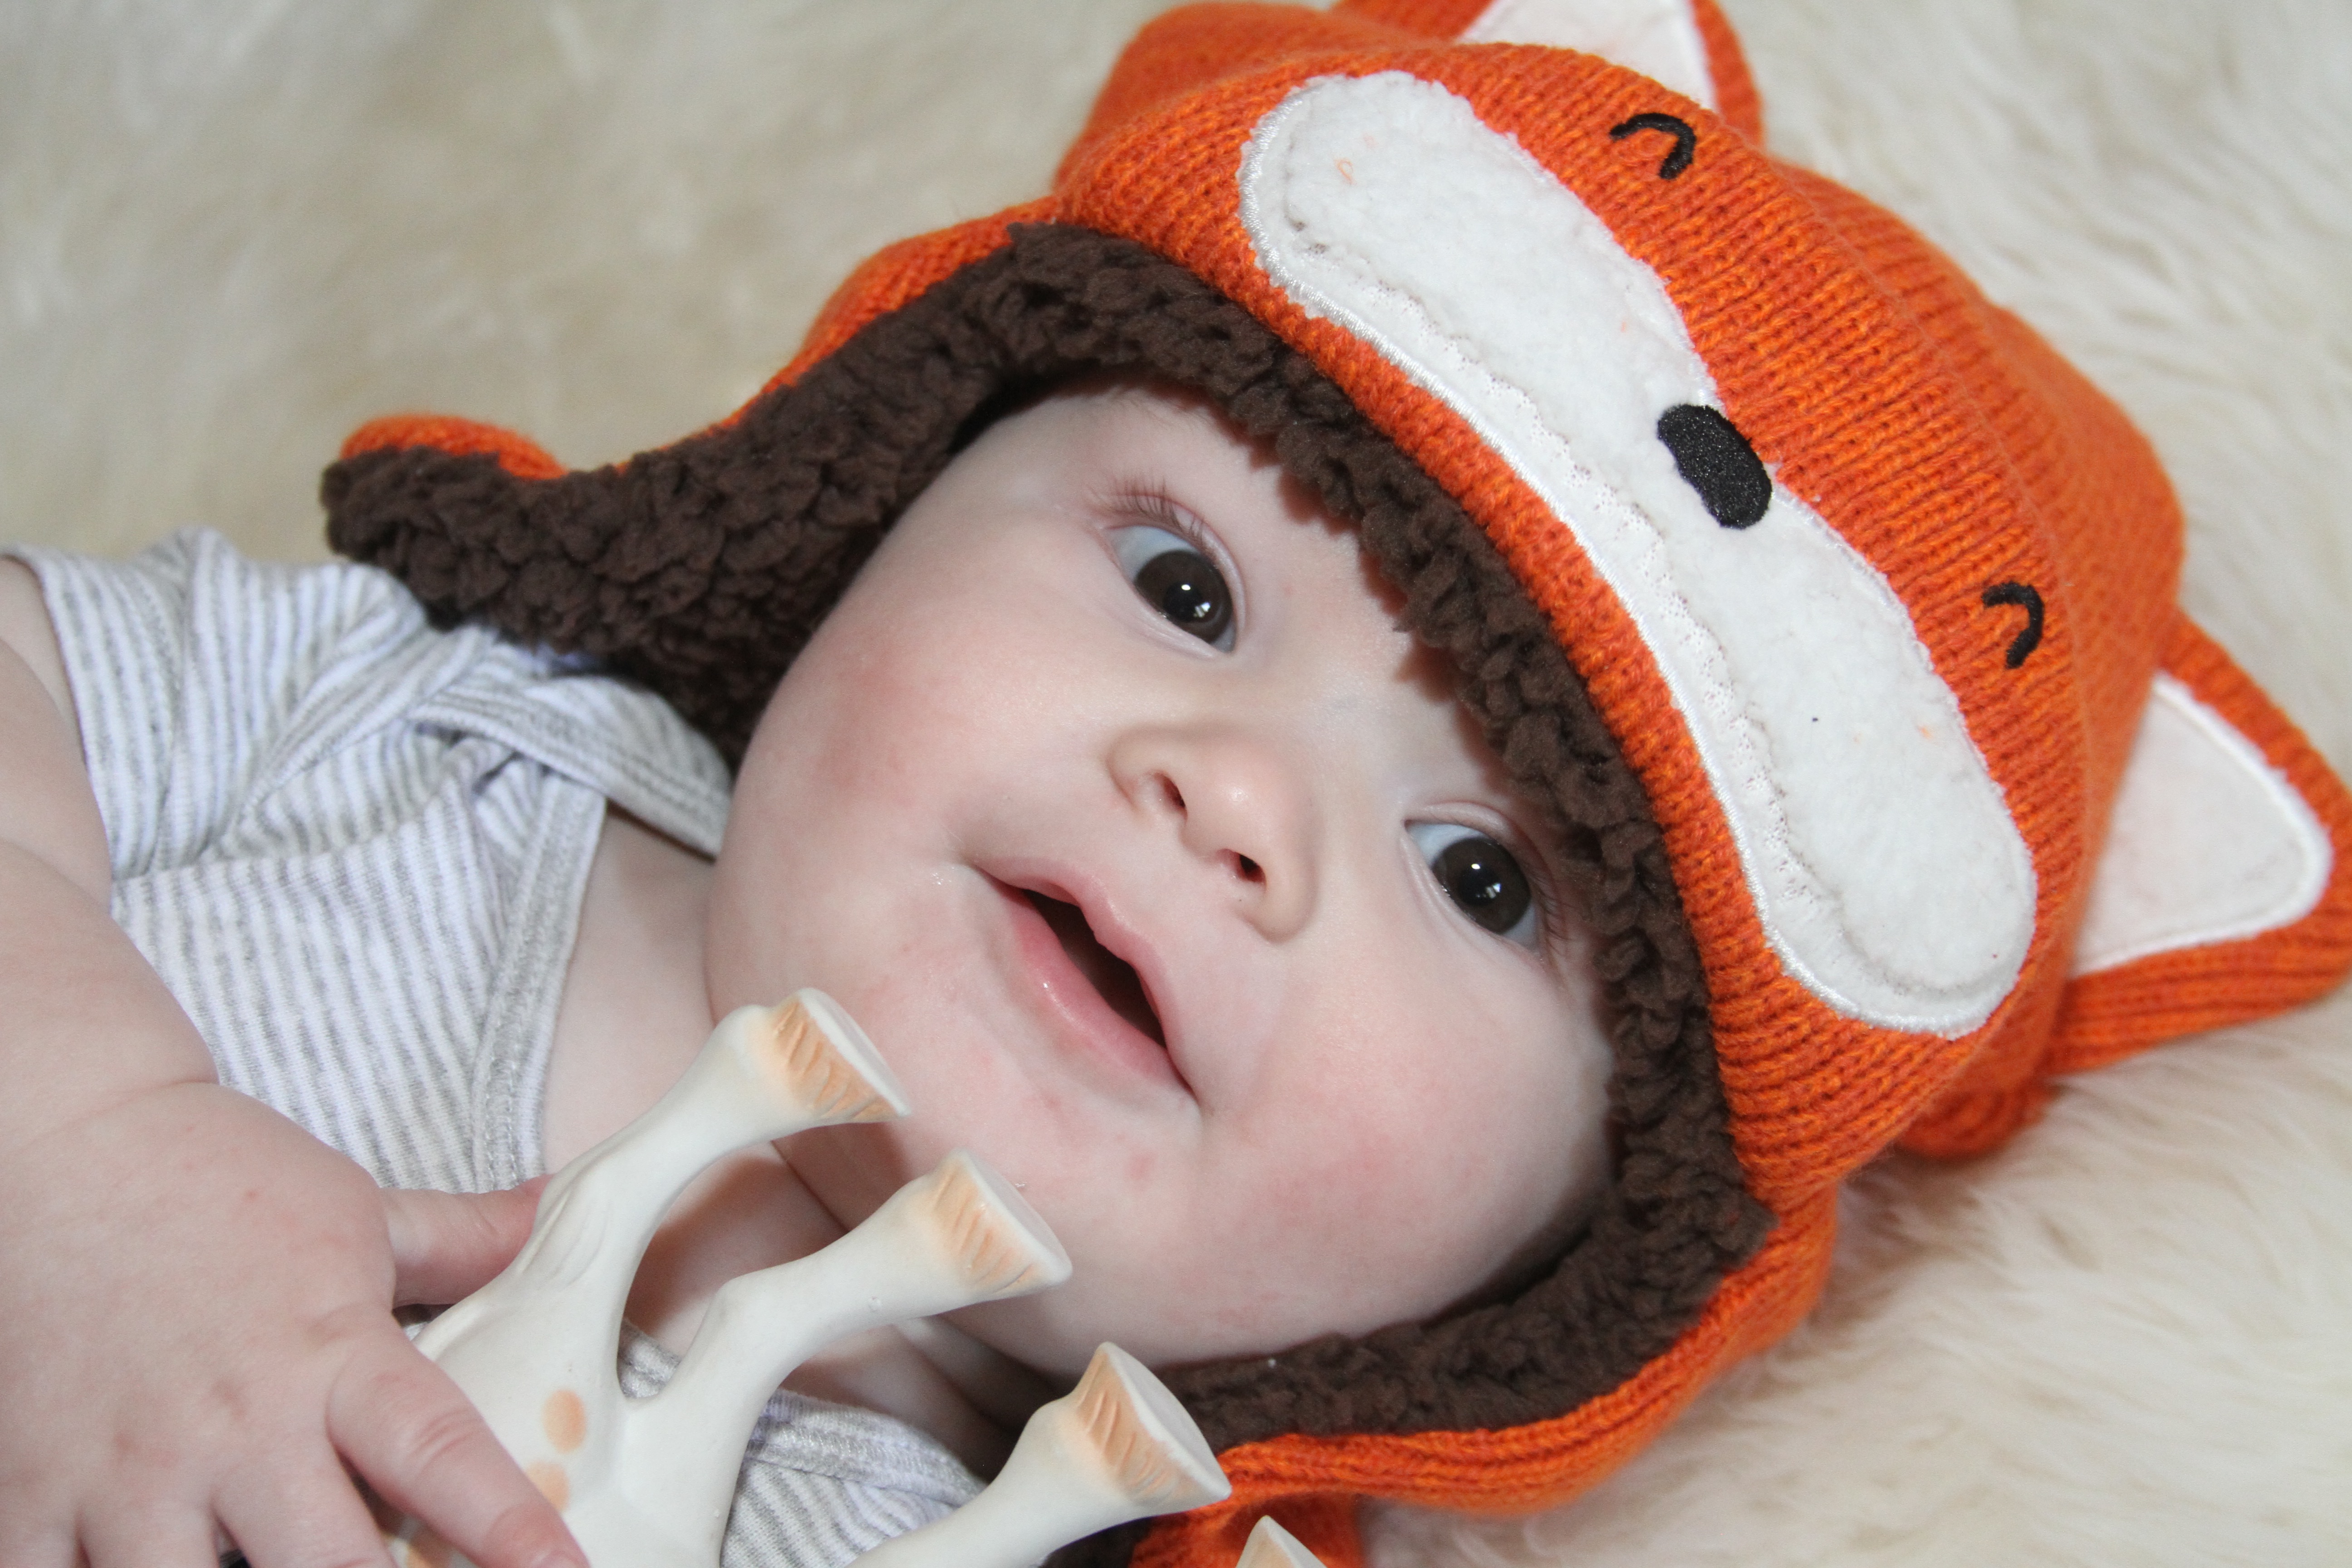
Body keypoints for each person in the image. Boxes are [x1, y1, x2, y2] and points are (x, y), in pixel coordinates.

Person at [5, 4, 2350, 1568]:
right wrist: (79, 1147)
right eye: (1190, 587)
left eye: (1485, 879)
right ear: (875, 490)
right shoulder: (445, 724)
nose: (1239, 806)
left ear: (1551, 1278)